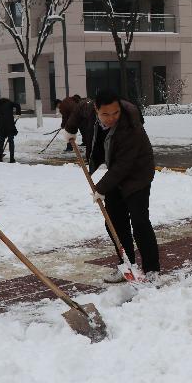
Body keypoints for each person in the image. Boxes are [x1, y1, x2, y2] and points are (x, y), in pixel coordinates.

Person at [63, 90, 160, 282]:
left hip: (137, 173)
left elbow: (124, 165)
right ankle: (127, 265)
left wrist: (100, 188)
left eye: (115, 113)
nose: (111, 118)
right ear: (96, 109)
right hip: (115, 172)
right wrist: (70, 129)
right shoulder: (88, 108)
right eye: (105, 114)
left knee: (140, 222)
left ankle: (152, 270)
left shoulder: (131, 126)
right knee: (114, 221)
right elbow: (78, 109)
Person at [0, 97, 21, 162]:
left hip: (0, 125)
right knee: (11, 141)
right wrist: (18, 114)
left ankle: (0, 157)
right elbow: (17, 105)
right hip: (9, 125)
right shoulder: (9, 103)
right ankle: (12, 159)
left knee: (1, 141)